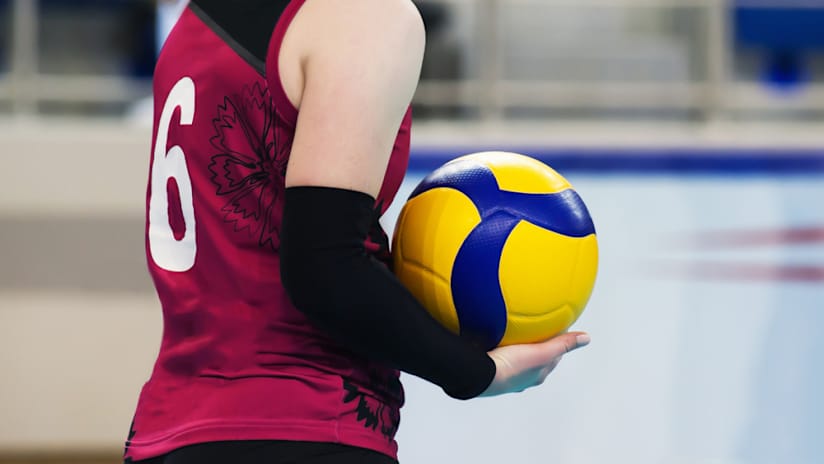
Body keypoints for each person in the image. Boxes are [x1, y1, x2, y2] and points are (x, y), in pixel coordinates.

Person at [124, 0, 590, 463]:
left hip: (169, 428)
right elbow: (324, 267)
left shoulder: (197, 18)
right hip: (300, 420)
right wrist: (479, 373)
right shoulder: (365, 14)